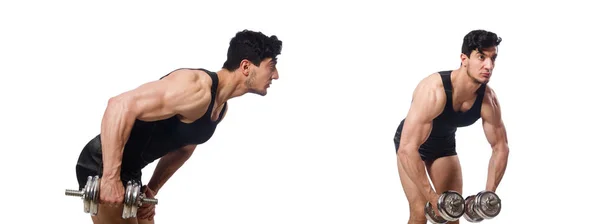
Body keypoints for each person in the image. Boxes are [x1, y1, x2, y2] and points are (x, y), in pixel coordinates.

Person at [73, 29, 282, 224]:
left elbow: (184, 147)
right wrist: (110, 178)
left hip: (130, 172)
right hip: (102, 164)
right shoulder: (195, 87)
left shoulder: (220, 108)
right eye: (271, 67)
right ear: (246, 66)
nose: (275, 75)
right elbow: (119, 105)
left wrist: (152, 189)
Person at [392, 29, 509, 224]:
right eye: (481, 57)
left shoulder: (488, 100)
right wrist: (432, 197)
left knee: (451, 216)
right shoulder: (433, 90)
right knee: (420, 212)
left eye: (492, 58)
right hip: (412, 146)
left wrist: (488, 194)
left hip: (443, 145)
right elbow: (407, 149)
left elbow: (500, 147)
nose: (488, 65)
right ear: (464, 59)